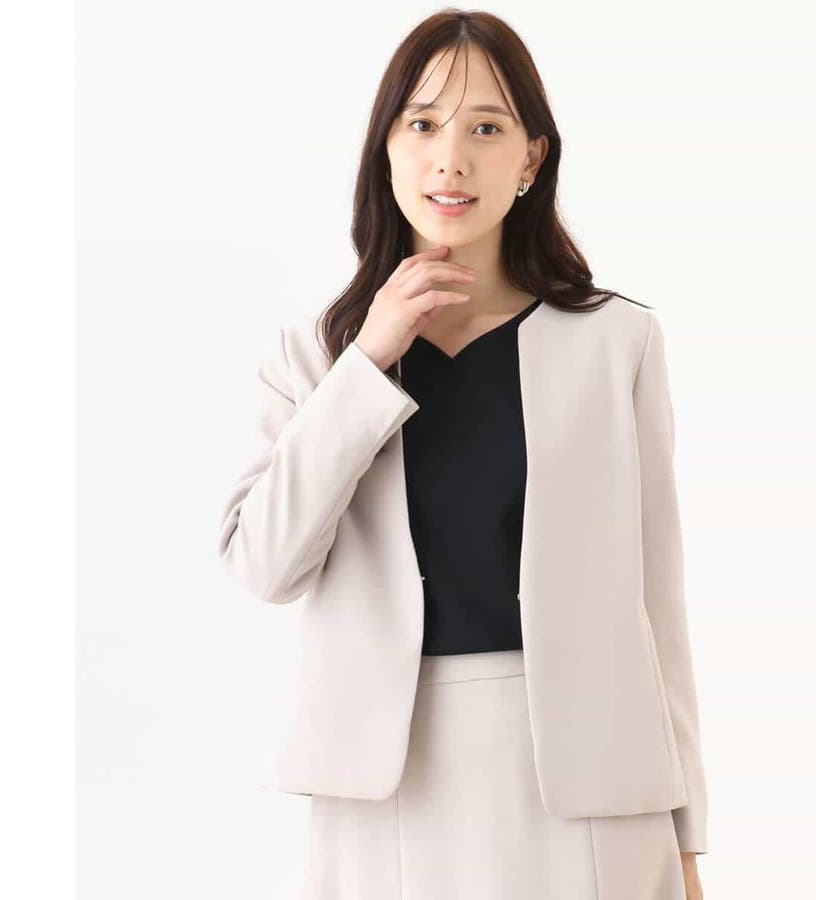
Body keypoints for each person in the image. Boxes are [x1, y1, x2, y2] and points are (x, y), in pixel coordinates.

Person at [218, 9, 708, 900]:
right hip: (386, 790)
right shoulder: (315, 358)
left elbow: (656, 606)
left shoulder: (616, 341)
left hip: (592, 792)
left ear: (531, 159)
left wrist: (686, 843)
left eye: (486, 128)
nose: (451, 159)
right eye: (423, 124)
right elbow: (266, 565)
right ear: (386, 149)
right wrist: (368, 360)